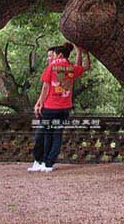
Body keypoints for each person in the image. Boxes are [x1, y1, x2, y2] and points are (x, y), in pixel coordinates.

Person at [28, 42, 91, 173]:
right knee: (57, 135)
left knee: (47, 135)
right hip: (65, 108)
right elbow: (85, 66)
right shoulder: (70, 68)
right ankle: (49, 164)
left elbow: (45, 87)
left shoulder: (52, 67)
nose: (53, 57)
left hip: (50, 107)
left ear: (60, 54)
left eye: (54, 54)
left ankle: (44, 162)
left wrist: (40, 103)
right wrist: (84, 53)